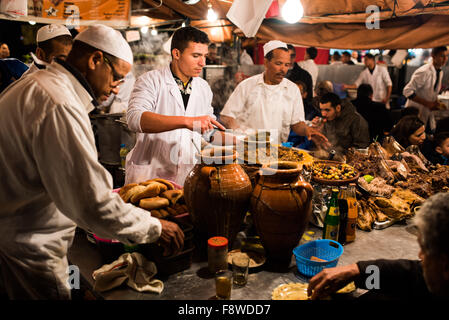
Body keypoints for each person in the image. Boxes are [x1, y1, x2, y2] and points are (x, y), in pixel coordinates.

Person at [0, 24, 184, 300]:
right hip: (30, 252)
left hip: (16, 239)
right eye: (117, 77)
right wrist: (155, 227)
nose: (116, 88)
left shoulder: (37, 84)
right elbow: (92, 203)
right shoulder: (58, 104)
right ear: (95, 60)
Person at [125, 26, 227, 186]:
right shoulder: (150, 80)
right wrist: (187, 121)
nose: (203, 63)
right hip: (149, 175)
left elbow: (206, 132)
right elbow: (135, 119)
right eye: (196, 56)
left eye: (205, 56)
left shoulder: (203, 87)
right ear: (176, 54)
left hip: (187, 175)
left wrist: (240, 141)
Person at [308, 192, 449, 300]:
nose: (419, 257)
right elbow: (410, 275)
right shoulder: (438, 279)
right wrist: (357, 272)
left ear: (445, 266)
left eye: (424, 250)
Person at [219, 40, 328, 145]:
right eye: (279, 63)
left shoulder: (292, 90)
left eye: (286, 65)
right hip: (247, 148)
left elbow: (297, 124)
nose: (283, 69)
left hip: (276, 151)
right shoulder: (247, 86)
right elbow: (226, 116)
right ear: (266, 62)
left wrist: (307, 130)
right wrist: (242, 134)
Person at [403, 46, 448, 131]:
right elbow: (407, 91)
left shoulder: (440, 71)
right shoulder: (424, 71)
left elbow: (431, 92)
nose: (445, 59)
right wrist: (427, 103)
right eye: (442, 56)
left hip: (426, 113)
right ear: (433, 56)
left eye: (447, 56)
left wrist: (435, 103)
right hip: (414, 112)